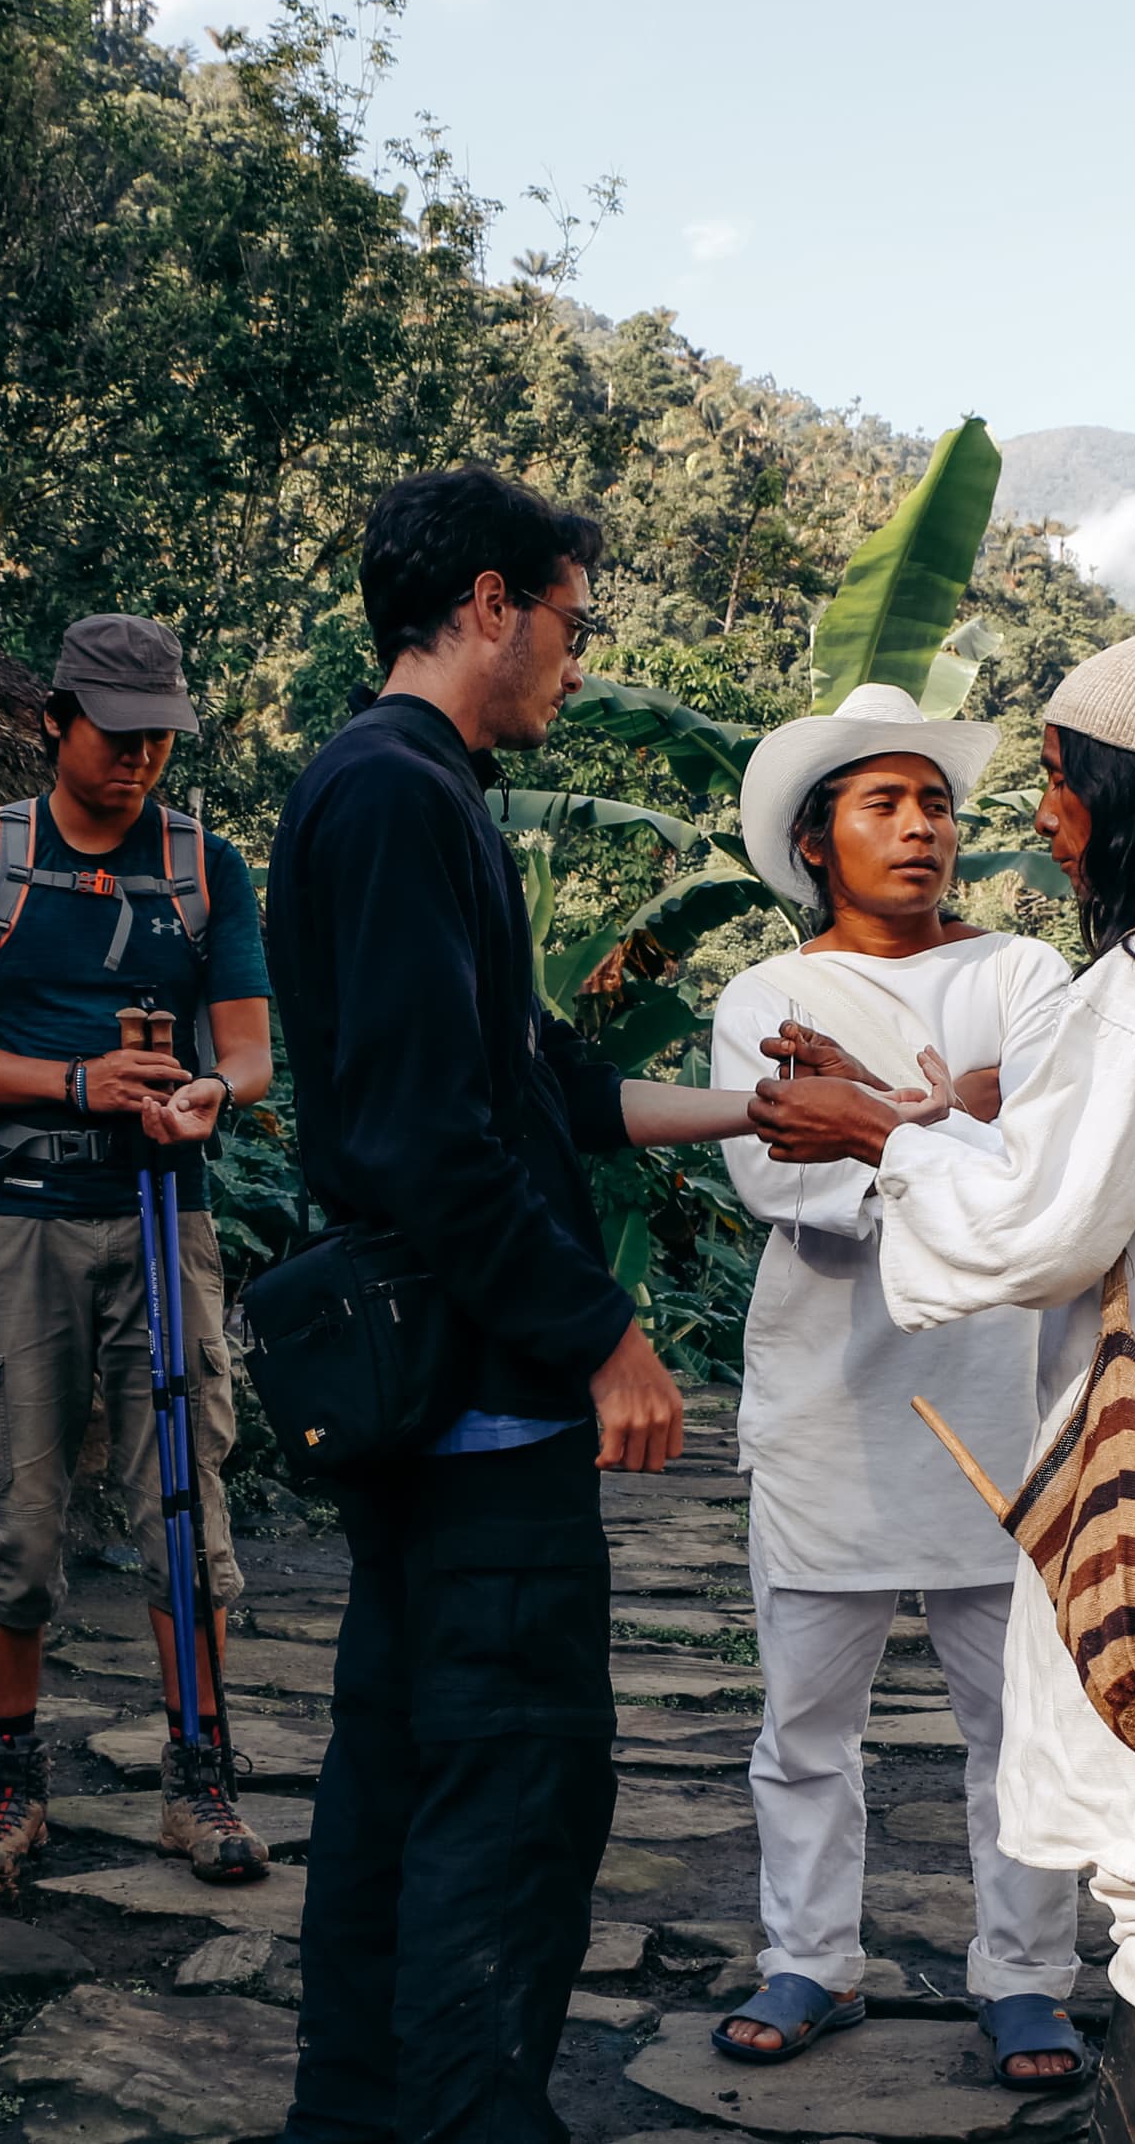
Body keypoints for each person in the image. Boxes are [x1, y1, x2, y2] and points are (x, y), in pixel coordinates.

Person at [751, 583, 1135, 2144]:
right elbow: (1078, 1153)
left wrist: (872, 1142)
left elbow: (1038, 1223)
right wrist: (900, 1118)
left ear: (1130, 792)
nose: (1041, 815)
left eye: (1058, 777)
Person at [269, 466, 768, 2144]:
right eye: (570, 623)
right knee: (513, 1785)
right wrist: (603, 1334)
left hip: (442, 1401)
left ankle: (355, 2116)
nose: (573, 657)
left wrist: (756, 1110)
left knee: (400, 1778)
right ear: (489, 602)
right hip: (480, 1403)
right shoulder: (401, 798)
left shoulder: (407, 789)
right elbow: (430, 1135)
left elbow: (533, 1078)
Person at [700, 685, 1091, 2086]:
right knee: (806, 1727)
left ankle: (1028, 1976)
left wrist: (871, 1109)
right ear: (819, 839)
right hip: (829, 1415)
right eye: (886, 803)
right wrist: (957, 1105)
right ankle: (810, 1959)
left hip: (1008, 1411)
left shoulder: (1028, 975)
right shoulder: (769, 997)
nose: (922, 828)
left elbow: (1056, 1159)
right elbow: (786, 1186)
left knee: (1021, 1729)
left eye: (935, 803)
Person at [0, 614, 275, 1892]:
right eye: (119, 737)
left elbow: (252, 1048)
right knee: (18, 1506)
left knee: (188, 1503)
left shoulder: (205, 865)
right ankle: (11, 1784)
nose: (142, 761)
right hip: (26, 1219)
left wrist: (207, 1095)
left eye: (162, 738)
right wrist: (76, 1081)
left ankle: (200, 1776)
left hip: (174, 1213)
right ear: (55, 720)